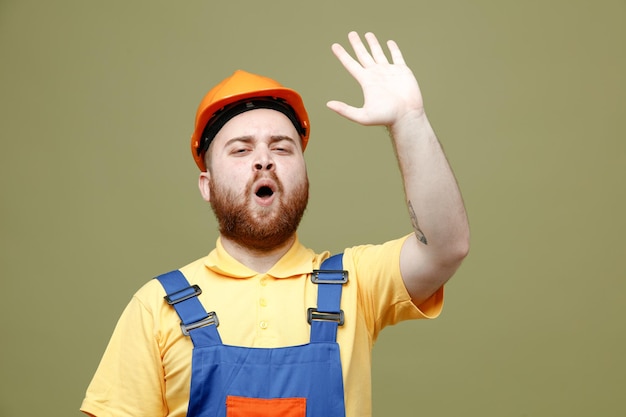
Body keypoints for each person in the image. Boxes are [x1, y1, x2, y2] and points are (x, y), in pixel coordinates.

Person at [80, 31, 470, 417]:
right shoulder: (157, 306)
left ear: (304, 176)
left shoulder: (358, 282)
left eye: (282, 148)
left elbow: (444, 248)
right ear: (207, 185)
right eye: (241, 149)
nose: (263, 160)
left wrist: (409, 120)